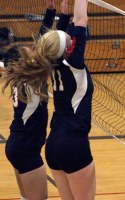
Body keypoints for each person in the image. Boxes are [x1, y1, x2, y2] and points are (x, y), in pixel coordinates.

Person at [0, 0, 66, 199]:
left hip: (18, 145)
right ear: (26, 62)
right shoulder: (33, 78)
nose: (31, 47)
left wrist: (50, 11)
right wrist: (61, 18)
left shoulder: (24, 74)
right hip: (26, 149)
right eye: (27, 50)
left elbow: (43, 43)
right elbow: (49, 47)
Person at [44, 0, 96, 199]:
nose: (69, 33)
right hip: (74, 145)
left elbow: (56, 39)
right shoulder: (74, 62)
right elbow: (82, 18)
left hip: (54, 144)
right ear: (68, 48)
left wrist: (64, 14)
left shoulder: (52, 60)